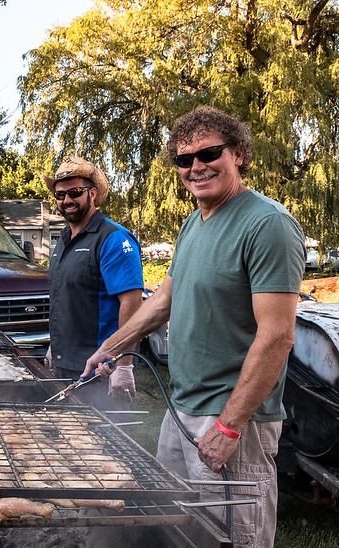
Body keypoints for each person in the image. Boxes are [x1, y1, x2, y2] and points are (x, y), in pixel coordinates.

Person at [84, 106, 306, 547]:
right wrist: (112, 346)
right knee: (179, 531)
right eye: (184, 160)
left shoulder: (268, 224)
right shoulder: (193, 223)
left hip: (230, 418)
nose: (196, 167)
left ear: (238, 153)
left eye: (209, 153)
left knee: (232, 538)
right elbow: (164, 299)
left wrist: (229, 426)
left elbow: (277, 336)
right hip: (181, 408)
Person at [42, 156, 144, 410]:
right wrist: (55, 346)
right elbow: (65, 296)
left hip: (101, 370)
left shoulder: (112, 238)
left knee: (105, 444)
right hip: (66, 364)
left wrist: (124, 364)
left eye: (75, 192)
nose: (66, 200)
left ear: (93, 194)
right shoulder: (64, 238)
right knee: (68, 442)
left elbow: (132, 304)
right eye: (60, 194)